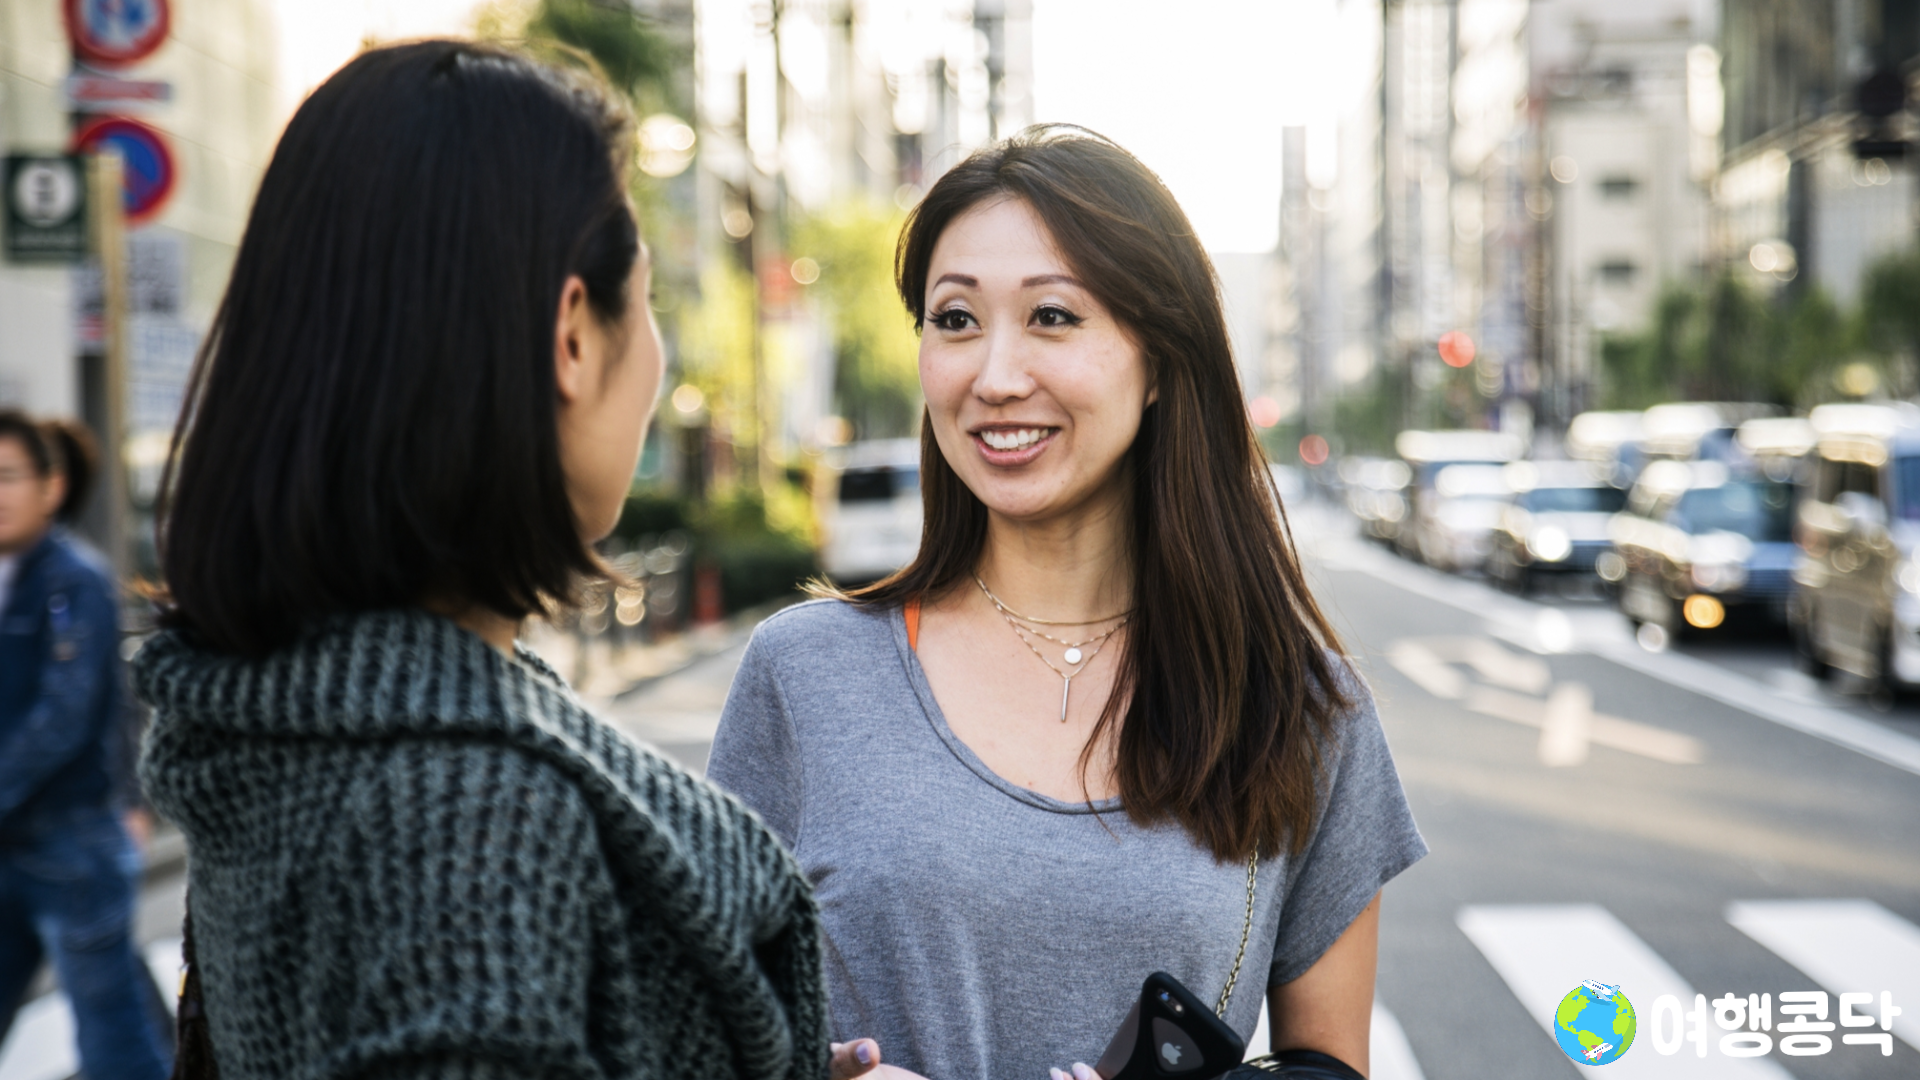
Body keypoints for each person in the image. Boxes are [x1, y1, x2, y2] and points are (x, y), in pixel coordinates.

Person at [134, 40, 885, 1080]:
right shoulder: (467, 827)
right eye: (650, 299)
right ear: (571, 335)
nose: (658, 359)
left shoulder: (282, 720)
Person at [706, 126, 1427, 1080]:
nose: (996, 377)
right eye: (954, 320)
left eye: (1052, 316)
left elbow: (1332, 1065)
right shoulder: (804, 673)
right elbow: (701, 1022)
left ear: (1163, 361)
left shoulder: (1294, 707)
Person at [0, 410, 171, 1080]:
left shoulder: (75, 580)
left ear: (53, 485)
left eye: (9, 476)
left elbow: (67, 719)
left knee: (114, 1040)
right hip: (14, 842)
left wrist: (132, 799)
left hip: (71, 844)